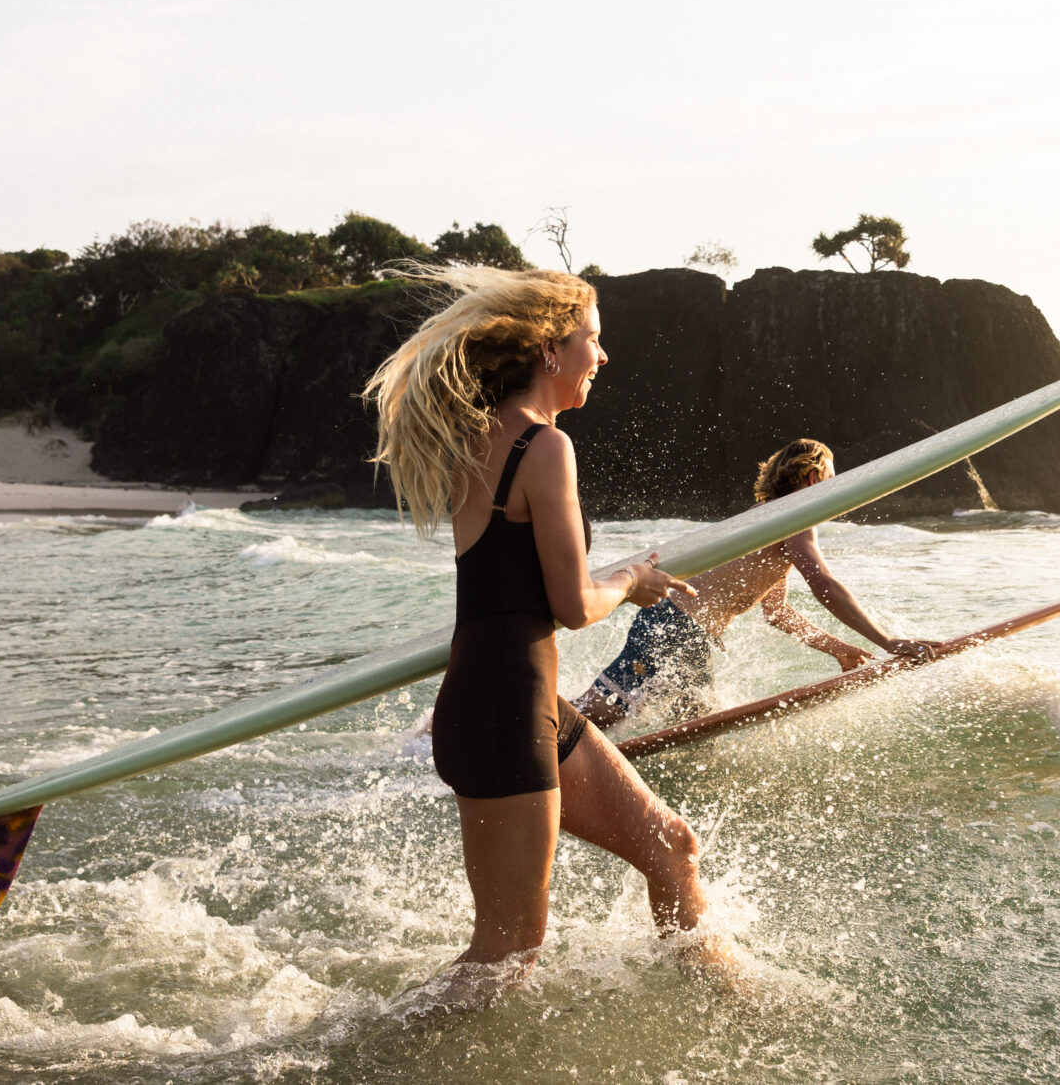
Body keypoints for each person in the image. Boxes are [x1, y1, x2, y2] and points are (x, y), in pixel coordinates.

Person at [363, 264, 734, 1005]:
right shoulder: (544, 447)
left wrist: (623, 579)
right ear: (549, 350)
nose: (603, 357)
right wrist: (632, 581)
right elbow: (571, 604)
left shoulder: (482, 440)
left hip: (514, 699)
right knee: (506, 954)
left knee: (672, 847)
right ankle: (358, 1057)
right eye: (592, 340)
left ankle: (716, 1004)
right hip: (505, 706)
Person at [571, 439, 939, 729]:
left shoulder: (769, 522)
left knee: (685, 724)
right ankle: (531, 737)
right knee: (603, 715)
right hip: (676, 630)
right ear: (813, 479)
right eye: (831, 480)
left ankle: (546, 739)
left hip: (675, 629)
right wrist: (888, 642)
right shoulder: (795, 516)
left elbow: (777, 613)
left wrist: (838, 649)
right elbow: (822, 582)